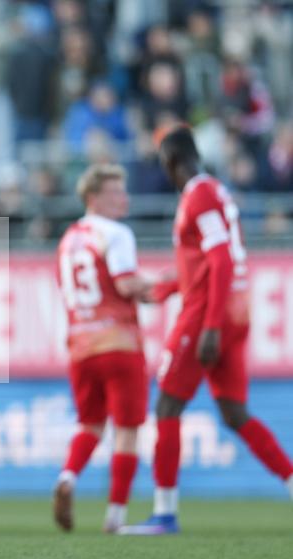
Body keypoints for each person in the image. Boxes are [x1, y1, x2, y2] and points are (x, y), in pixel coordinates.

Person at [121, 126, 293, 535]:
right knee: (234, 412)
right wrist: (163, 289)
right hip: (233, 309)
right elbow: (204, 263)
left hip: (208, 315)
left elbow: (218, 259)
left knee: (167, 407)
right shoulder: (215, 191)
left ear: (169, 161)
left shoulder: (197, 196)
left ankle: (164, 513)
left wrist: (210, 326)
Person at [53, 164, 152, 534]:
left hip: (80, 345)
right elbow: (126, 284)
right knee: (127, 429)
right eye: (115, 192)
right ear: (94, 198)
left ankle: (68, 476)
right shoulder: (116, 233)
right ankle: (116, 516)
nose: (124, 198)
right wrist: (164, 284)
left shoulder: (68, 239)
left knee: (91, 424)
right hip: (119, 343)